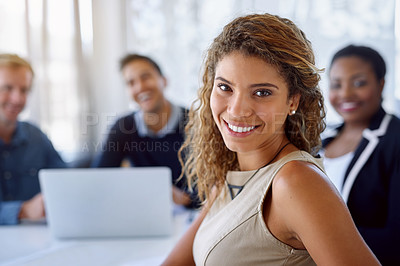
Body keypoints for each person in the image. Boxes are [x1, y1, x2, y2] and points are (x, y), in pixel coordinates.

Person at [162, 13, 380, 265]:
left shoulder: (296, 182)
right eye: (225, 87)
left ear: (292, 101)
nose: (236, 110)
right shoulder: (230, 177)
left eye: (262, 92)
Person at [321, 44, 400, 265]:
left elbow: (396, 239)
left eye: (359, 83)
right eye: (336, 84)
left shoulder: (395, 140)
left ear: (381, 84)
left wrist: (315, 236)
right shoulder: (319, 140)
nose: (345, 94)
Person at [92, 54, 199, 208]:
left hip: (191, 215)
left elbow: (215, 185)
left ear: (164, 80)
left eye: (146, 77)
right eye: (131, 83)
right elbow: (98, 179)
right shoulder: (123, 128)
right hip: (144, 211)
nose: (140, 87)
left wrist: (186, 199)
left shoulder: (195, 123)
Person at [0, 54, 66, 225]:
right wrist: (23, 210)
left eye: (24, 90)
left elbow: (66, 181)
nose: (17, 99)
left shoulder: (36, 136)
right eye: (7, 88)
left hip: (38, 243)